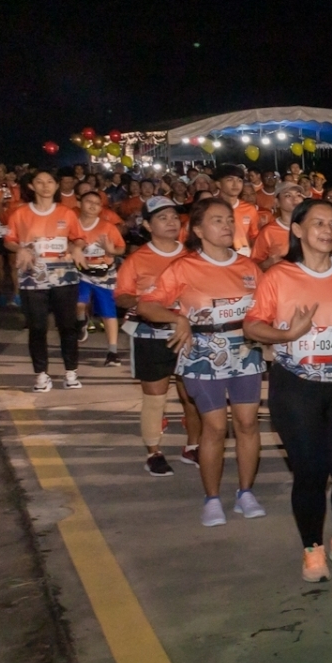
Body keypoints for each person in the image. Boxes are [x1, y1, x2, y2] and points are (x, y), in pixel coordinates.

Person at [245, 198, 332, 582]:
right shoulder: (279, 276)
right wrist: (288, 334)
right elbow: (252, 325)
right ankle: (312, 548)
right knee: (310, 472)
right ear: (298, 230)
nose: (328, 230)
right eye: (318, 223)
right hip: (296, 387)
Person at [140, 198, 267, 527]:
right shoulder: (183, 267)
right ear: (197, 229)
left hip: (245, 352)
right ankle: (212, 498)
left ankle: (245, 492)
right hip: (201, 354)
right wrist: (176, 318)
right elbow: (147, 305)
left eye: (229, 219)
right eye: (217, 220)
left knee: (248, 424)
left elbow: (268, 307)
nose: (227, 226)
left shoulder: (248, 267)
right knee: (215, 427)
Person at [116, 197, 202, 474]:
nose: (171, 222)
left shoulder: (193, 256)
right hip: (150, 334)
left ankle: (193, 446)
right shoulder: (137, 259)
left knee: (192, 395)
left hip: (188, 333)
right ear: (147, 225)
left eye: (174, 217)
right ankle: (154, 452)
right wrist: (148, 301)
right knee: (155, 397)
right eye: (162, 218)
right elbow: (121, 296)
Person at [7, 170, 84, 391]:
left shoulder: (66, 213)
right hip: (33, 275)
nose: (45, 186)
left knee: (67, 325)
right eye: (39, 182)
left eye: (50, 182)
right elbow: (9, 240)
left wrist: (76, 248)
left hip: (63, 275)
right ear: (31, 186)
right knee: (37, 326)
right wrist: (20, 248)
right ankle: (41, 374)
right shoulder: (20, 213)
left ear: (57, 185)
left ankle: (71, 372)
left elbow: (78, 238)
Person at [74, 189, 127, 366]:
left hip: (104, 273)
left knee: (107, 312)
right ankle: (81, 321)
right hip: (79, 271)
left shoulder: (107, 227)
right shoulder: (72, 225)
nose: (93, 206)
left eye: (97, 204)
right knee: (79, 302)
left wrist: (111, 250)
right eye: (89, 202)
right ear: (79, 203)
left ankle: (112, 351)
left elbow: (121, 248)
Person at [252, 181, 307, 270]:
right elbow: (253, 266)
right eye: (288, 195)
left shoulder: (310, 228)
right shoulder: (268, 231)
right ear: (277, 202)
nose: (295, 199)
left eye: (298, 195)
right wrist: (268, 263)